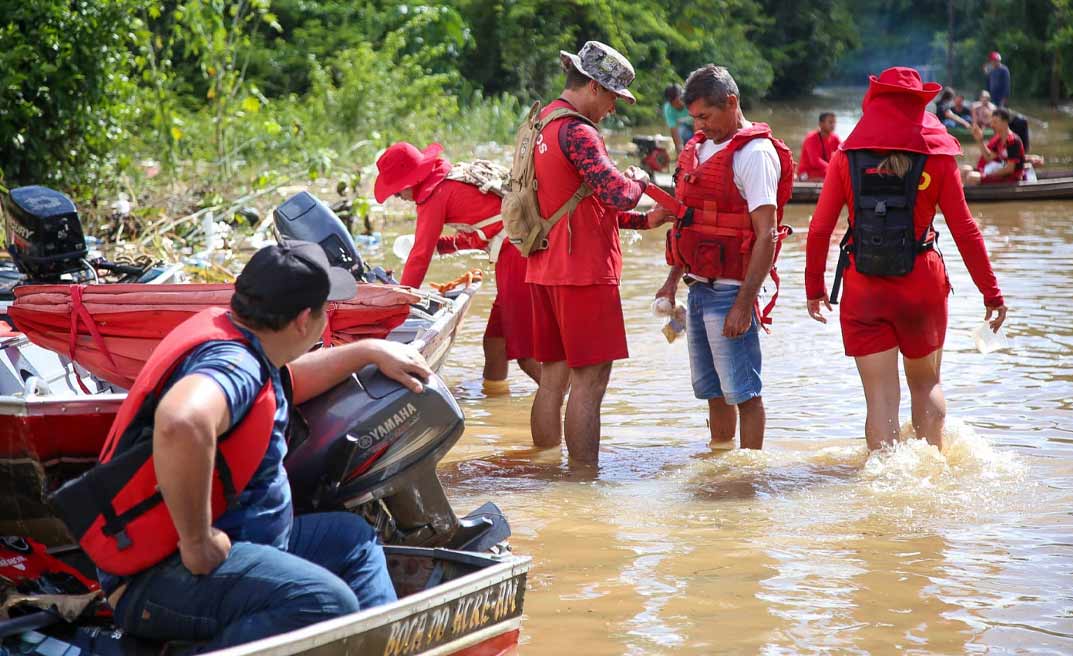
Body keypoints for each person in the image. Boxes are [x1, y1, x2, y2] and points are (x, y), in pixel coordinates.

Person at [99, 241, 433, 651]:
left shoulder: (242, 339)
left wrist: (367, 350)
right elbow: (182, 421)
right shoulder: (233, 363)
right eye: (325, 310)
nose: (326, 320)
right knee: (327, 605)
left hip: (248, 543)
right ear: (302, 320)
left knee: (353, 540)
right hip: (158, 575)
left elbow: (286, 382)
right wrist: (197, 541)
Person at [804, 67, 1007, 450]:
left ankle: (885, 480)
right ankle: (931, 477)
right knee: (926, 383)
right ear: (919, 105)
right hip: (921, 285)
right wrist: (991, 294)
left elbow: (818, 230)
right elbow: (965, 229)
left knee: (880, 400)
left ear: (875, 102)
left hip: (864, 287)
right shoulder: (939, 157)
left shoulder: (845, 156)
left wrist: (815, 288)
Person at [528, 41, 673, 464]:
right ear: (593, 86)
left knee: (552, 378)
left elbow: (571, 201)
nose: (613, 108)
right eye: (612, 96)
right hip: (583, 272)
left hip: (542, 266)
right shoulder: (579, 131)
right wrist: (641, 180)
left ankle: (544, 468)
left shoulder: (542, 123)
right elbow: (618, 194)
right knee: (590, 381)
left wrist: (647, 221)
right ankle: (583, 482)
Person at [655, 64, 794, 451]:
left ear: (731, 103)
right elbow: (689, 223)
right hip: (698, 289)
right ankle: (719, 463)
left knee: (744, 394)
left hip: (732, 291)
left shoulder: (754, 154)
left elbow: (766, 233)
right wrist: (671, 281)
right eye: (694, 117)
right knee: (712, 393)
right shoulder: (698, 148)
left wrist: (743, 304)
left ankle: (746, 481)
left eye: (706, 116)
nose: (699, 125)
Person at [374, 142, 540, 392]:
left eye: (397, 191)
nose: (398, 197)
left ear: (409, 182)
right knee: (495, 341)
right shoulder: (449, 180)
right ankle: (494, 397)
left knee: (523, 351)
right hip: (516, 253)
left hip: (517, 258)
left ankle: (562, 397)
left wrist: (398, 301)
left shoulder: (433, 196)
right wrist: (442, 246)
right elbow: (484, 228)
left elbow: (420, 257)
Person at [963, 108, 1026, 185]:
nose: (992, 125)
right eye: (992, 122)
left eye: (995, 122)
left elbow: (1010, 169)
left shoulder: (1013, 140)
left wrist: (987, 175)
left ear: (1005, 122)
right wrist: (980, 140)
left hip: (1012, 178)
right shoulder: (998, 139)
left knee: (972, 177)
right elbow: (988, 158)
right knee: (964, 170)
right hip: (1001, 173)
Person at [797, 112, 841, 180]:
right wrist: (832, 168)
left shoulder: (835, 138)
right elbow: (815, 161)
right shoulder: (811, 138)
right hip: (806, 173)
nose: (833, 125)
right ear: (821, 124)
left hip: (824, 170)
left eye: (834, 122)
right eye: (830, 122)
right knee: (833, 175)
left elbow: (843, 153)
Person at [663, 84, 694, 150]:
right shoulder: (668, 109)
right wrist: (679, 150)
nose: (676, 106)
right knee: (682, 132)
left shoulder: (692, 102)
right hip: (687, 128)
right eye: (672, 103)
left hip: (700, 126)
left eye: (677, 102)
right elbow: (673, 130)